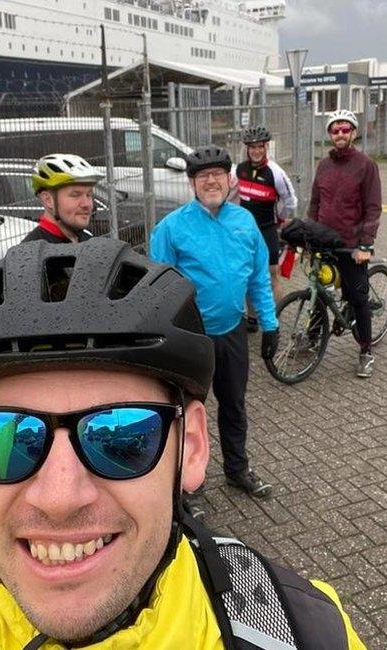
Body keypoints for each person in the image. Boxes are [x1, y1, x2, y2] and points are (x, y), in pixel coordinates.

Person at [0, 239, 366, 649]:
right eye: (5, 438)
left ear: (191, 447)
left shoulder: (307, 631)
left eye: (119, 437)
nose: (58, 496)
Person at [150, 145, 279, 507]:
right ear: (192, 183)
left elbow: (258, 280)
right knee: (188, 411)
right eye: (203, 175)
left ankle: (237, 470)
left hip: (232, 332)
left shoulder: (244, 222)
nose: (211, 181)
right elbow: (160, 290)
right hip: (191, 337)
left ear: (229, 179)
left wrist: (269, 325)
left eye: (218, 174)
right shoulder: (171, 229)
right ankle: (189, 482)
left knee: (234, 404)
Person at [308, 109, 382, 379]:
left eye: (345, 129)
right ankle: (312, 335)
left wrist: (365, 245)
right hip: (326, 242)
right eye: (335, 130)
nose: (340, 134)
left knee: (359, 299)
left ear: (353, 133)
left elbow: (373, 208)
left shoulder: (366, 165)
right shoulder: (323, 165)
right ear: (330, 135)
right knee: (320, 288)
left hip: (352, 246)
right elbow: (315, 203)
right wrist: (309, 234)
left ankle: (365, 351)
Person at [234, 125, 297, 321]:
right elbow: (235, 197)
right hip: (245, 231)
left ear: (266, 147)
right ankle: (252, 317)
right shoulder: (240, 169)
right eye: (252, 147)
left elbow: (291, 201)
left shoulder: (275, 172)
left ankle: (275, 318)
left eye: (259, 147)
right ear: (247, 148)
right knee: (246, 275)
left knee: (271, 276)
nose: (256, 151)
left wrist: (280, 218)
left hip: (267, 229)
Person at [22, 153, 103, 243]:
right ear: (48, 200)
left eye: (89, 195)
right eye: (75, 195)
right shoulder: (34, 253)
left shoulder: (87, 240)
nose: (86, 204)